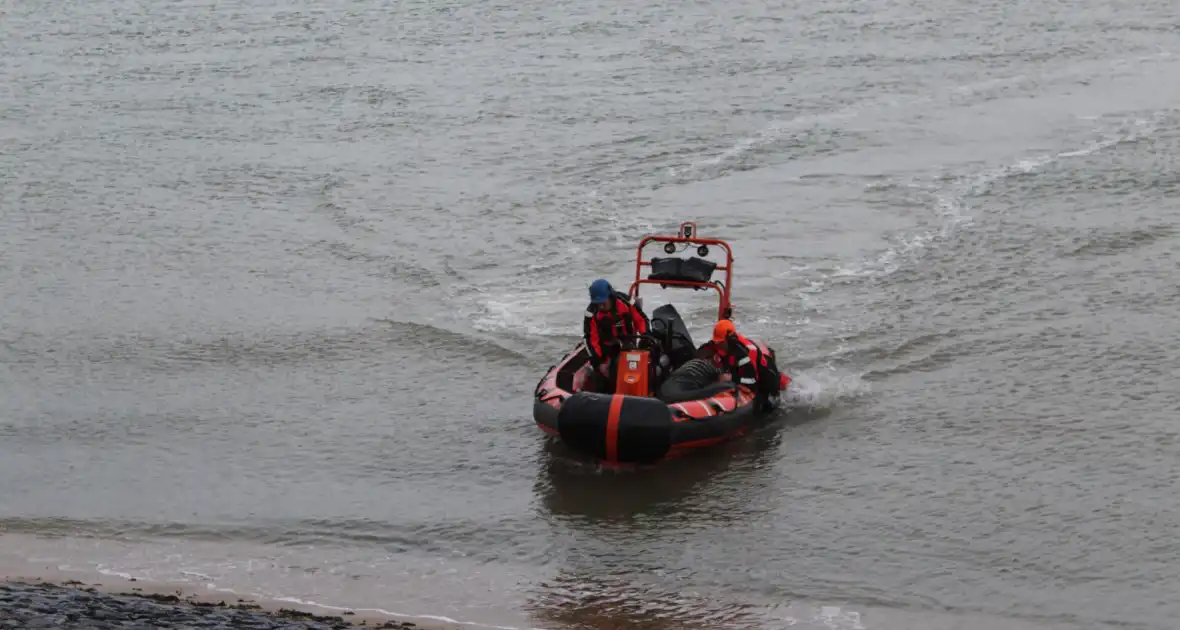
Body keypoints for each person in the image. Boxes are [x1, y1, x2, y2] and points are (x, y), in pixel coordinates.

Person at [583, 278, 649, 392]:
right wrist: (599, 362)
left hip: (628, 345)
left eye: (603, 303)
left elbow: (641, 320)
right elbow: (591, 339)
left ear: (610, 297)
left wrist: (645, 338)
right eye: (598, 304)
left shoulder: (625, 302)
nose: (600, 307)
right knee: (602, 379)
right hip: (607, 350)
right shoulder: (591, 313)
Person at [705, 319, 777, 410]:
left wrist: (732, 378)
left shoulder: (744, 353)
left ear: (730, 340)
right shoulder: (726, 347)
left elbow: (751, 381)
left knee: (763, 409)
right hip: (748, 375)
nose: (718, 345)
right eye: (717, 342)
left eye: (721, 342)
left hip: (763, 383)